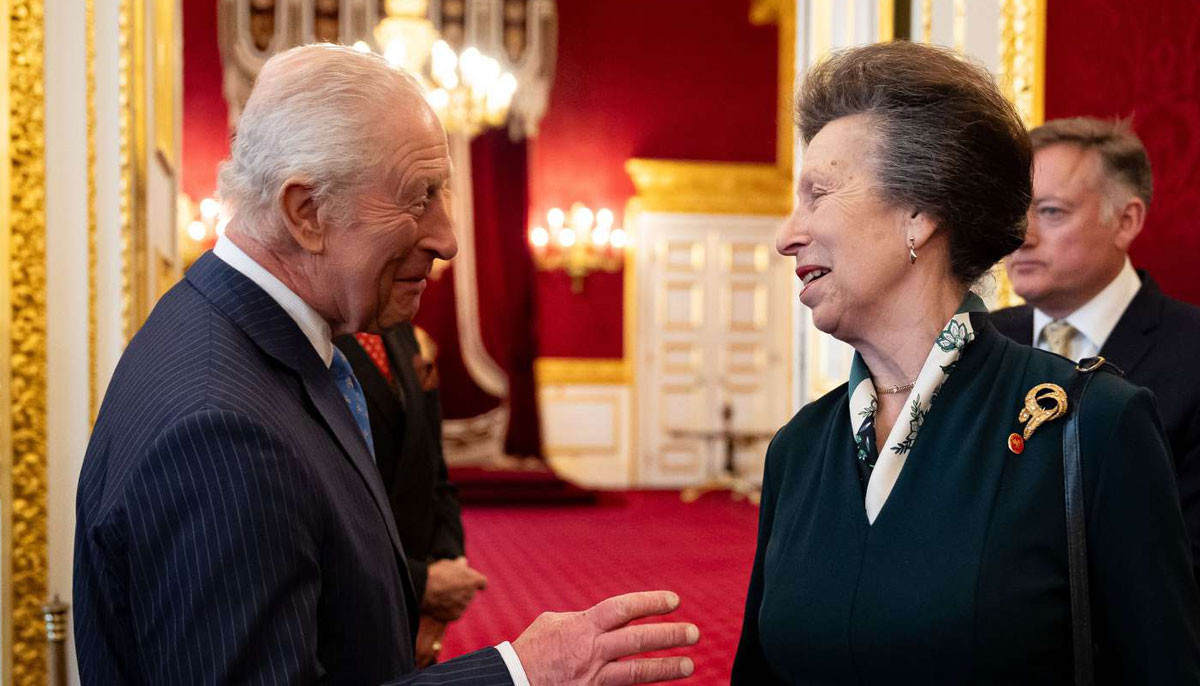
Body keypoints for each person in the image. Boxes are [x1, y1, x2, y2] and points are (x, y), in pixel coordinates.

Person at [74, 44, 698, 685]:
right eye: (419, 198)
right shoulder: (221, 429)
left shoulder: (250, 343)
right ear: (306, 213)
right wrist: (518, 674)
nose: (447, 239)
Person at [733, 41, 1200, 684]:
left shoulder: (1092, 425)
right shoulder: (799, 448)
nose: (786, 235)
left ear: (920, 214)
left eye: (818, 194)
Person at [993, 117, 1200, 579]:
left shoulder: (1190, 351)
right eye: (1016, 210)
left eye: (1050, 212)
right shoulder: (976, 341)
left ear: (1126, 221)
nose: (1021, 236)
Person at [335, 324, 483, 667]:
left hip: (415, 613)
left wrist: (445, 577)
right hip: (350, 614)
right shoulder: (316, 338)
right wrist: (420, 586)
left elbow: (434, 472)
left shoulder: (406, 333)